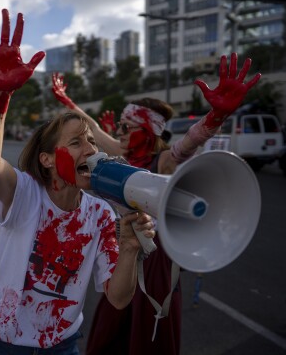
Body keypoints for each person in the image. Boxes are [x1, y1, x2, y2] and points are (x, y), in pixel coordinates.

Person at [0, 8, 156, 354]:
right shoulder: (24, 193)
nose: (91, 150)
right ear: (47, 159)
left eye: (93, 142)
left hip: (62, 345)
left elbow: (117, 297)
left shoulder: (100, 214)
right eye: (76, 142)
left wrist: (129, 247)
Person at [51, 52, 261, 354]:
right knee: (114, 325)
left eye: (127, 127)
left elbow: (186, 146)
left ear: (148, 132)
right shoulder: (120, 153)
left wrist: (215, 118)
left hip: (154, 260)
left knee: (148, 331)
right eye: (120, 127)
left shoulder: (160, 161)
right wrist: (67, 102)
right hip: (123, 251)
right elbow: (94, 128)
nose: (120, 134)